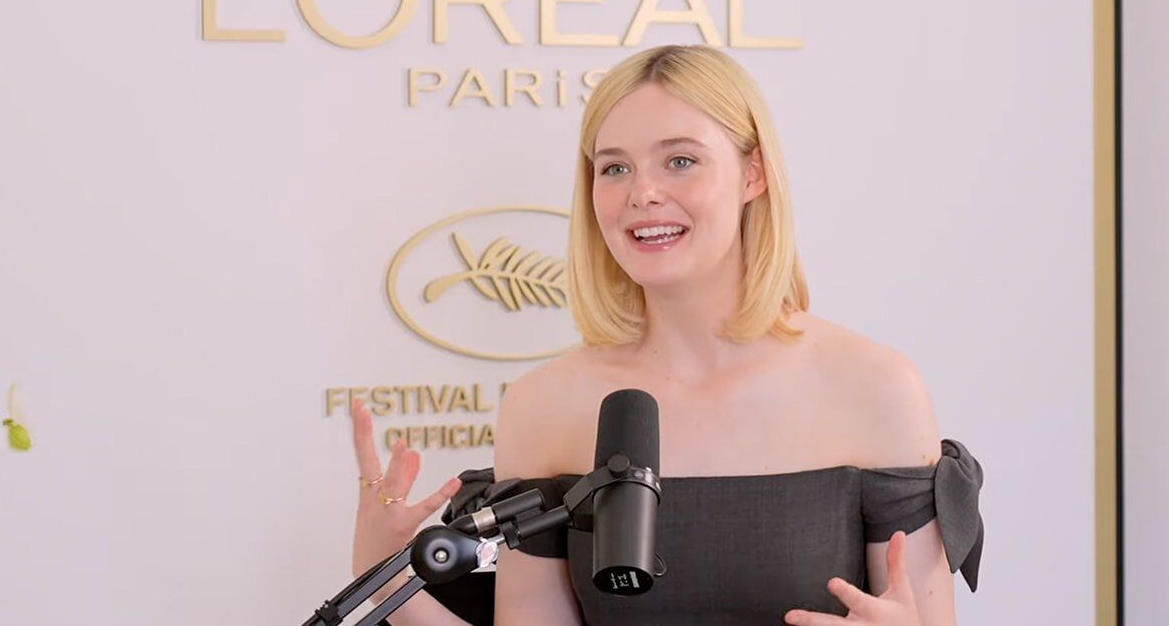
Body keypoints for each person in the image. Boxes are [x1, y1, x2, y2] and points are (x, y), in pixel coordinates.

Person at [346, 44, 984, 626]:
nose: (643, 193)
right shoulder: (544, 406)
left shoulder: (875, 387)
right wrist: (383, 577)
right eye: (614, 168)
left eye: (680, 161)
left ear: (754, 173)